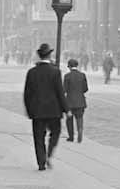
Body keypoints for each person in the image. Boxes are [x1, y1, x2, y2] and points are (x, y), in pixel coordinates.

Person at [23, 43, 68, 171]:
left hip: (37, 111)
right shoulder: (55, 71)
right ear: (49, 55)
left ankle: (41, 162)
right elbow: (60, 92)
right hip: (54, 110)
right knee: (56, 132)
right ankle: (49, 153)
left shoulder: (32, 72)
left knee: (38, 137)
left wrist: (29, 110)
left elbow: (27, 94)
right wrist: (66, 109)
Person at [63, 58, 89, 142]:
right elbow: (85, 89)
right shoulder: (82, 75)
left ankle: (71, 136)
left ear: (69, 67)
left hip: (70, 102)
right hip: (80, 101)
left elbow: (65, 89)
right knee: (79, 117)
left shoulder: (67, 76)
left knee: (69, 119)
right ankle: (80, 130)